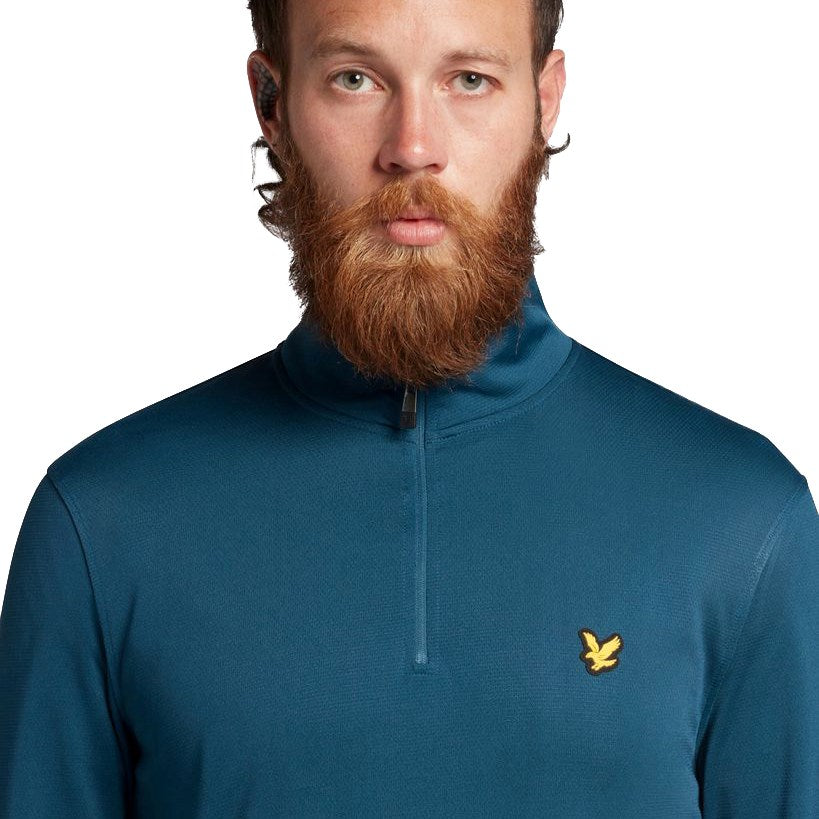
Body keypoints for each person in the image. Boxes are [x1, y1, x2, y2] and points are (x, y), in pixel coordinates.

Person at [0, 0, 816, 815]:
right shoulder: (102, 525)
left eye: (470, 80)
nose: (412, 147)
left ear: (544, 99)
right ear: (271, 104)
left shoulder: (741, 522)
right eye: (355, 79)